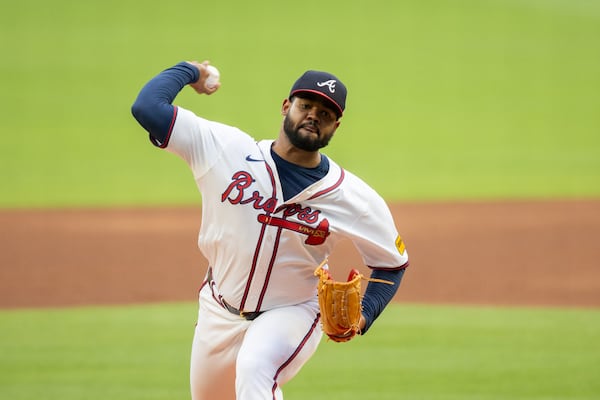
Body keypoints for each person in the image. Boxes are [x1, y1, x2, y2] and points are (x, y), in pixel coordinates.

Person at [131, 60, 409, 400]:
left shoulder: (354, 197)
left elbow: (392, 263)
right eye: (306, 106)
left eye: (324, 114)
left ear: (336, 126)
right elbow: (147, 107)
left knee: (255, 369)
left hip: (292, 310)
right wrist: (190, 71)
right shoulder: (225, 149)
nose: (313, 116)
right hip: (218, 309)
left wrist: (364, 316)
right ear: (286, 107)